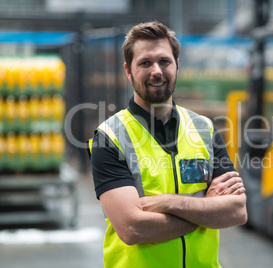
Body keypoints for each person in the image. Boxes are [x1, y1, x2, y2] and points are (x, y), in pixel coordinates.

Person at [88, 21, 247, 268]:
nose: (157, 71)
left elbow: (236, 211)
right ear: (128, 71)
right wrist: (208, 209)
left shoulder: (204, 129)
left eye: (164, 61)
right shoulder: (110, 138)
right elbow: (133, 229)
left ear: (177, 65)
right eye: (145, 63)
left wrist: (167, 202)